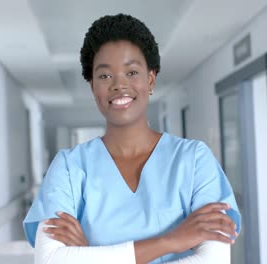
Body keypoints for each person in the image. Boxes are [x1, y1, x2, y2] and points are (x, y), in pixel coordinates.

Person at [23, 14, 241, 264]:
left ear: (150, 79)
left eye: (132, 72)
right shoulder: (69, 168)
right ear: (92, 86)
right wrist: (171, 241)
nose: (119, 85)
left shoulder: (194, 161)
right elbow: (50, 260)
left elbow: (213, 261)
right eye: (105, 76)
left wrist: (90, 256)